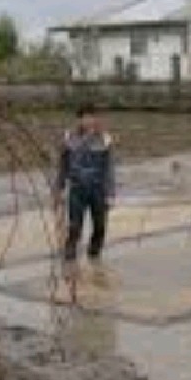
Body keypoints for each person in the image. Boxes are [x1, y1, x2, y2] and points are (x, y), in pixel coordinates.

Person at [55, 103, 116, 271]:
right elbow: (62, 166)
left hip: (98, 189)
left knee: (100, 226)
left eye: (92, 117)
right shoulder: (69, 138)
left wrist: (110, 194)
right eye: (85, 117)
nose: (88, 121)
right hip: (77, 189)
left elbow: (109, 169)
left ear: (96, 119)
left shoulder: (105, 139)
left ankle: (94, 257)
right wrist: (59, 189)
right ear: (79, 119)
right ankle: (69, 260)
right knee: (74, 226)